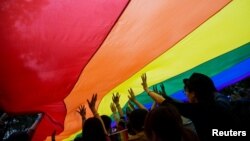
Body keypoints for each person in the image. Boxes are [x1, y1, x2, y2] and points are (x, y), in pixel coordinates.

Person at [141, 73, 239, 141]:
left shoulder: (198, 110)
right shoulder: (220, 102)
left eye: (186, 91)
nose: (186, 95)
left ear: (193, 93)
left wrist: (147, 90)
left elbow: (165, 102)